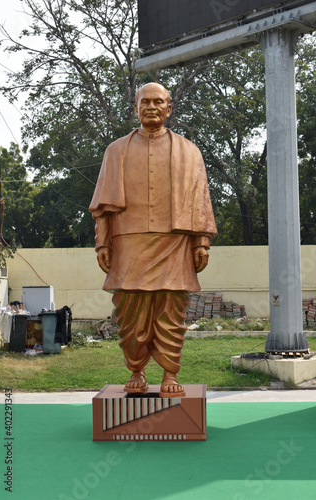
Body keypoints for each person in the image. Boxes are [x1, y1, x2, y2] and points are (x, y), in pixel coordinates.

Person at [89, 82, 217, 397]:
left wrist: (201, 240)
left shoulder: (188, 150)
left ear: (168, 108)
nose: (151, 107)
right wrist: (103, 242)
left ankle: (170, 374)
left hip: (174, 242)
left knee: (171, 308)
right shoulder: (115, 150)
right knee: (131, 309)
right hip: (128, 243)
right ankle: (136, 370)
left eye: (158, 102)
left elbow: (200, 199)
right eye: (144, 102)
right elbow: (103, 207)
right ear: (135, 108)